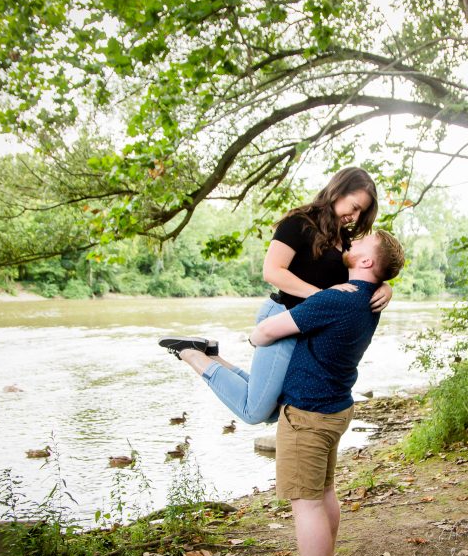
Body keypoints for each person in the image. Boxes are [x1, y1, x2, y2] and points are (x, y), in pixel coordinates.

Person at [250, 229, 405, 556]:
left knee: (306, 503)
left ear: (366, 262)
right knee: (322, 493)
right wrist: (387, 283)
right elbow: (376, 280)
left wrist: (253, 337)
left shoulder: (337, 299)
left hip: (308, 413)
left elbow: (267, 332)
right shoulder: (371, 298)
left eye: (360, 244)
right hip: (334, 408)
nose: (351, 243)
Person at [158, 167, 392, 423]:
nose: (355, 217)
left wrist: (384, 287)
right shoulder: (298, 223)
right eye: (355, 207)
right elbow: (272, 271)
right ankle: (191, 354)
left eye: (361, 213)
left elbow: (362, 273)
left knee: (278, 407)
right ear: (338, 191)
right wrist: (321, 297)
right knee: (254, 413)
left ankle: (211, 355)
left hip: (305, 326)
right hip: (283, 316)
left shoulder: (344, 240)